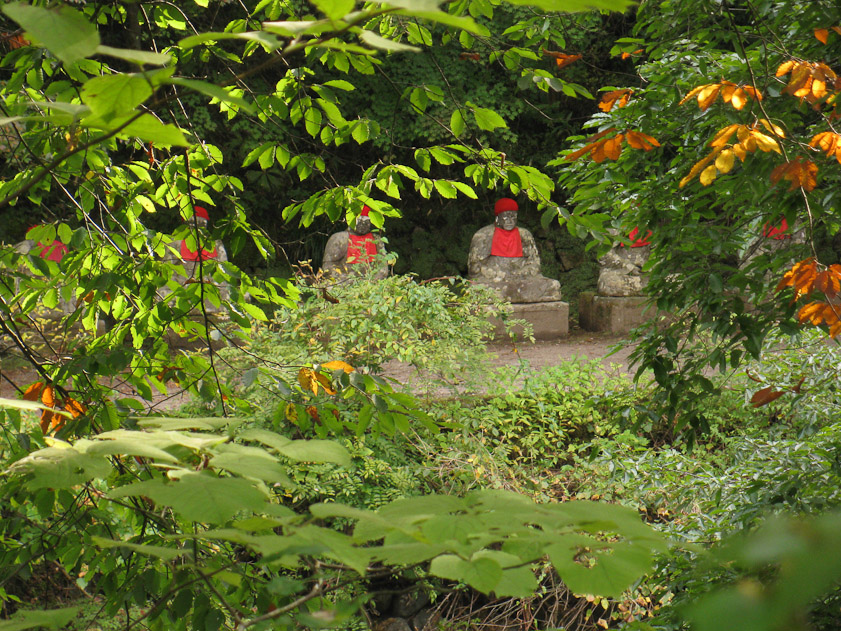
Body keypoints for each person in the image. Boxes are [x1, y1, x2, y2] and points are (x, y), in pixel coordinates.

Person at [467, 198, 562, 303]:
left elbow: (535, 264)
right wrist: (498, 274)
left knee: (553, 285)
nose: (510, 220)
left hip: (522, 281)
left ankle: (512, 293)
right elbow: (474, 269)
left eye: (513, 216)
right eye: (506, 216)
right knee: (477, 288)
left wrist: (522, 273)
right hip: (495, 281)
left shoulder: (524, 235)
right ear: (497, 217)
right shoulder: (483, 235)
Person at [321, 205, 388, 280]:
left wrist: (373, 280)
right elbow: (328, 266)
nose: (363, 223)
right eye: (359, 219)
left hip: (371, 282)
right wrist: (346, 279)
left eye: (367, 220)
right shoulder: (340, 238)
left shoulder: (376, 239)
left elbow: (383, 267)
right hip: (344, 281)